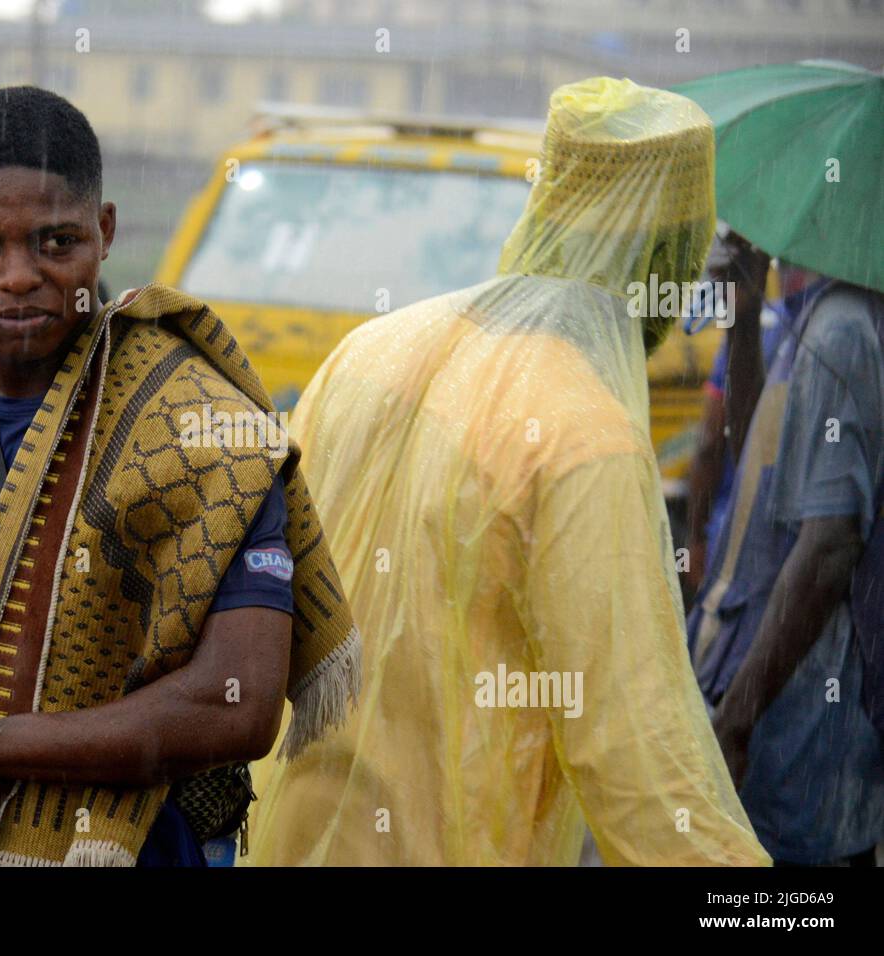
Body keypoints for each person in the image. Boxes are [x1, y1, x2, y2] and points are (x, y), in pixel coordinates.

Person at [0, 87, 359, 868]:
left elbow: (233, 706)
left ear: (104, 233)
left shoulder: (204, 434)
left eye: (55, 242)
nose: (18, 276)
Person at [246, 77, 769, 866]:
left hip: (297, 837)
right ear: (672, 252)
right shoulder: (586, 437)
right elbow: (634, 756)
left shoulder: (368, 351)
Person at [688, 230, 884, 866]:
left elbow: (830, 544)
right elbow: (759, 466)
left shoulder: (842, 332)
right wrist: (744, 324)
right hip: (764, 706)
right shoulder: (812, 320)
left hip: (802, 741)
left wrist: (737, 720)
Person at [684, 235, 809, 594]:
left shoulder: (752, 325)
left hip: (733, 536)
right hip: (792, 554)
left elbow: (710, 442)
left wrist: (695, 538)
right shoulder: (830, 334)